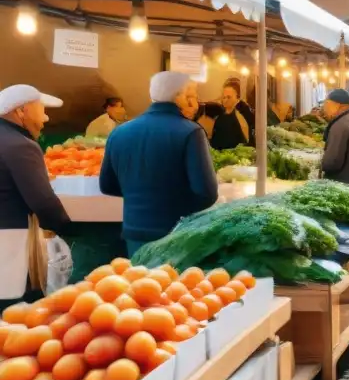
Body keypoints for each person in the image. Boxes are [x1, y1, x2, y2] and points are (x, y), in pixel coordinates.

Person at [100, 72, 218, 257]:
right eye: (191, 96)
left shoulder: (119, 133)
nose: (193, 102)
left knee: (142, 284)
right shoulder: (191, 133)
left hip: (134, 233)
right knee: (173, 285)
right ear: (179, 96)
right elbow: (207, 193)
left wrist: (142, 197)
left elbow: (107, 186)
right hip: (176, 236)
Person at [0, 85, 71, 307]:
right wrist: (68, 229)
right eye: (40, 110)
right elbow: (42, 201)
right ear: (21, 112)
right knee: (14, 310)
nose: (46, 119)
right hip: (10, 243)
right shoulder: (21, 146)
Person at [209, 81, 251, 150]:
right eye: (224, 97)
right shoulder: (219, 118)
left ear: (238, 99)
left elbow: (246, 141)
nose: (225, 100)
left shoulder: (241, 118)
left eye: (229, 97)